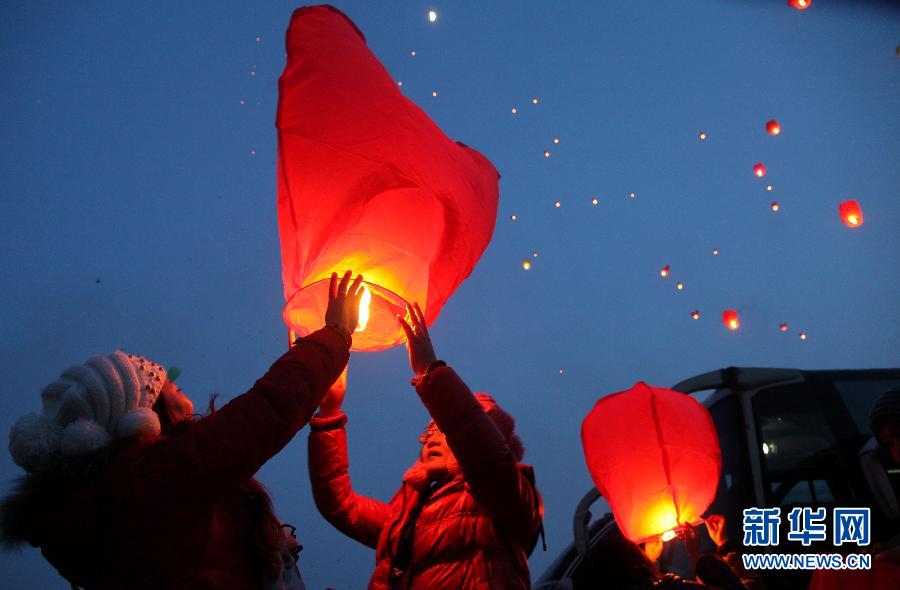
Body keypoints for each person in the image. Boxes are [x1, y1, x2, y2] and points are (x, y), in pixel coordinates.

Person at [1, 271, 365, 589]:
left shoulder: (124, 493)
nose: (172, 379)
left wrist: (315, 373)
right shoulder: (148, 483)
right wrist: (334, 336)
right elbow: (263, 413)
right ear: (140, 413)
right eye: (157, 381)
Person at [307, 302, 543, 589]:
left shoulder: (508, 497)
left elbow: (487, 458)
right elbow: (340, 505)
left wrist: (430, 372)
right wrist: (330, 410)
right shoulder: (406, 515)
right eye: (428, 430)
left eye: (441, 428)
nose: (429, 437)